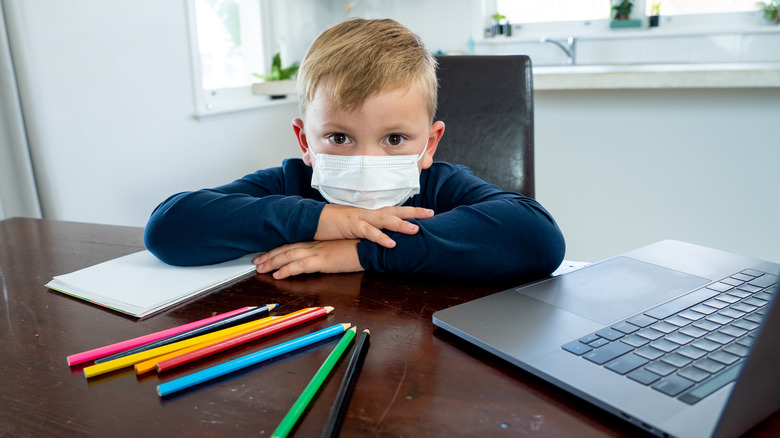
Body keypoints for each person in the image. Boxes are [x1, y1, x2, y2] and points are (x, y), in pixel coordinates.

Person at [144, 18, 565, 283]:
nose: (368, 162)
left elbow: (537, 238)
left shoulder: (440, 186)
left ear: (429, 143)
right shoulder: (291, 183)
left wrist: (362, 251)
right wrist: (327, 219)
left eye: (394, 140)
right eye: (340, 138)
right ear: (306, 141)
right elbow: (168, 228)